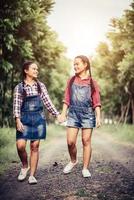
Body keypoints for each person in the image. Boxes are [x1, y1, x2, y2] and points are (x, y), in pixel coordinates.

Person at [13, 61, 60, 184]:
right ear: (26, 70)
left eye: (37, 69)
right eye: (33, 69)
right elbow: (16, 105)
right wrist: (17, 120)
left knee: (35, 147)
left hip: (38, 119)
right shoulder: (19, 87)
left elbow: (47, 102)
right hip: (24, 119)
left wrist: (57, 114)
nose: (36, 71)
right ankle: (24, 166)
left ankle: (32, 175)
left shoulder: (41, 86)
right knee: (20, 146)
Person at [60, 55, 101, 178]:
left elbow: (96, 101)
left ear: (85, 65)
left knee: (86, 140)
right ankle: (73, 161)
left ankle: (85, 168)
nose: (75, 66)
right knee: (70, 142)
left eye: (77, 64)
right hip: (73, 113)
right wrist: (63, 113)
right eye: (74, 64)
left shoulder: (92, 82)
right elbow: (67, 98)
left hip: (88, 114)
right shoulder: (71, 80)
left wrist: (98, 117)